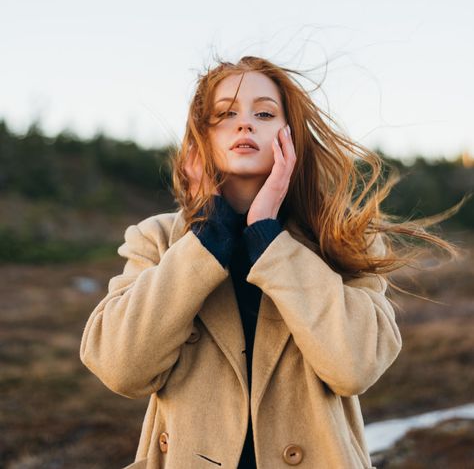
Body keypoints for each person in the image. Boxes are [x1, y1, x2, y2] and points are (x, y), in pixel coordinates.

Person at [80, 55, 464, 469]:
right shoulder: (156, 238)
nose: (244, 124)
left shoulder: (344, 239)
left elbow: (355, 366)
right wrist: (209, 234)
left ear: (290, 135)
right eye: (225, 114)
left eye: (263, 112)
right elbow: (121, 368)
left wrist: (267, 235)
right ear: (201, 138)